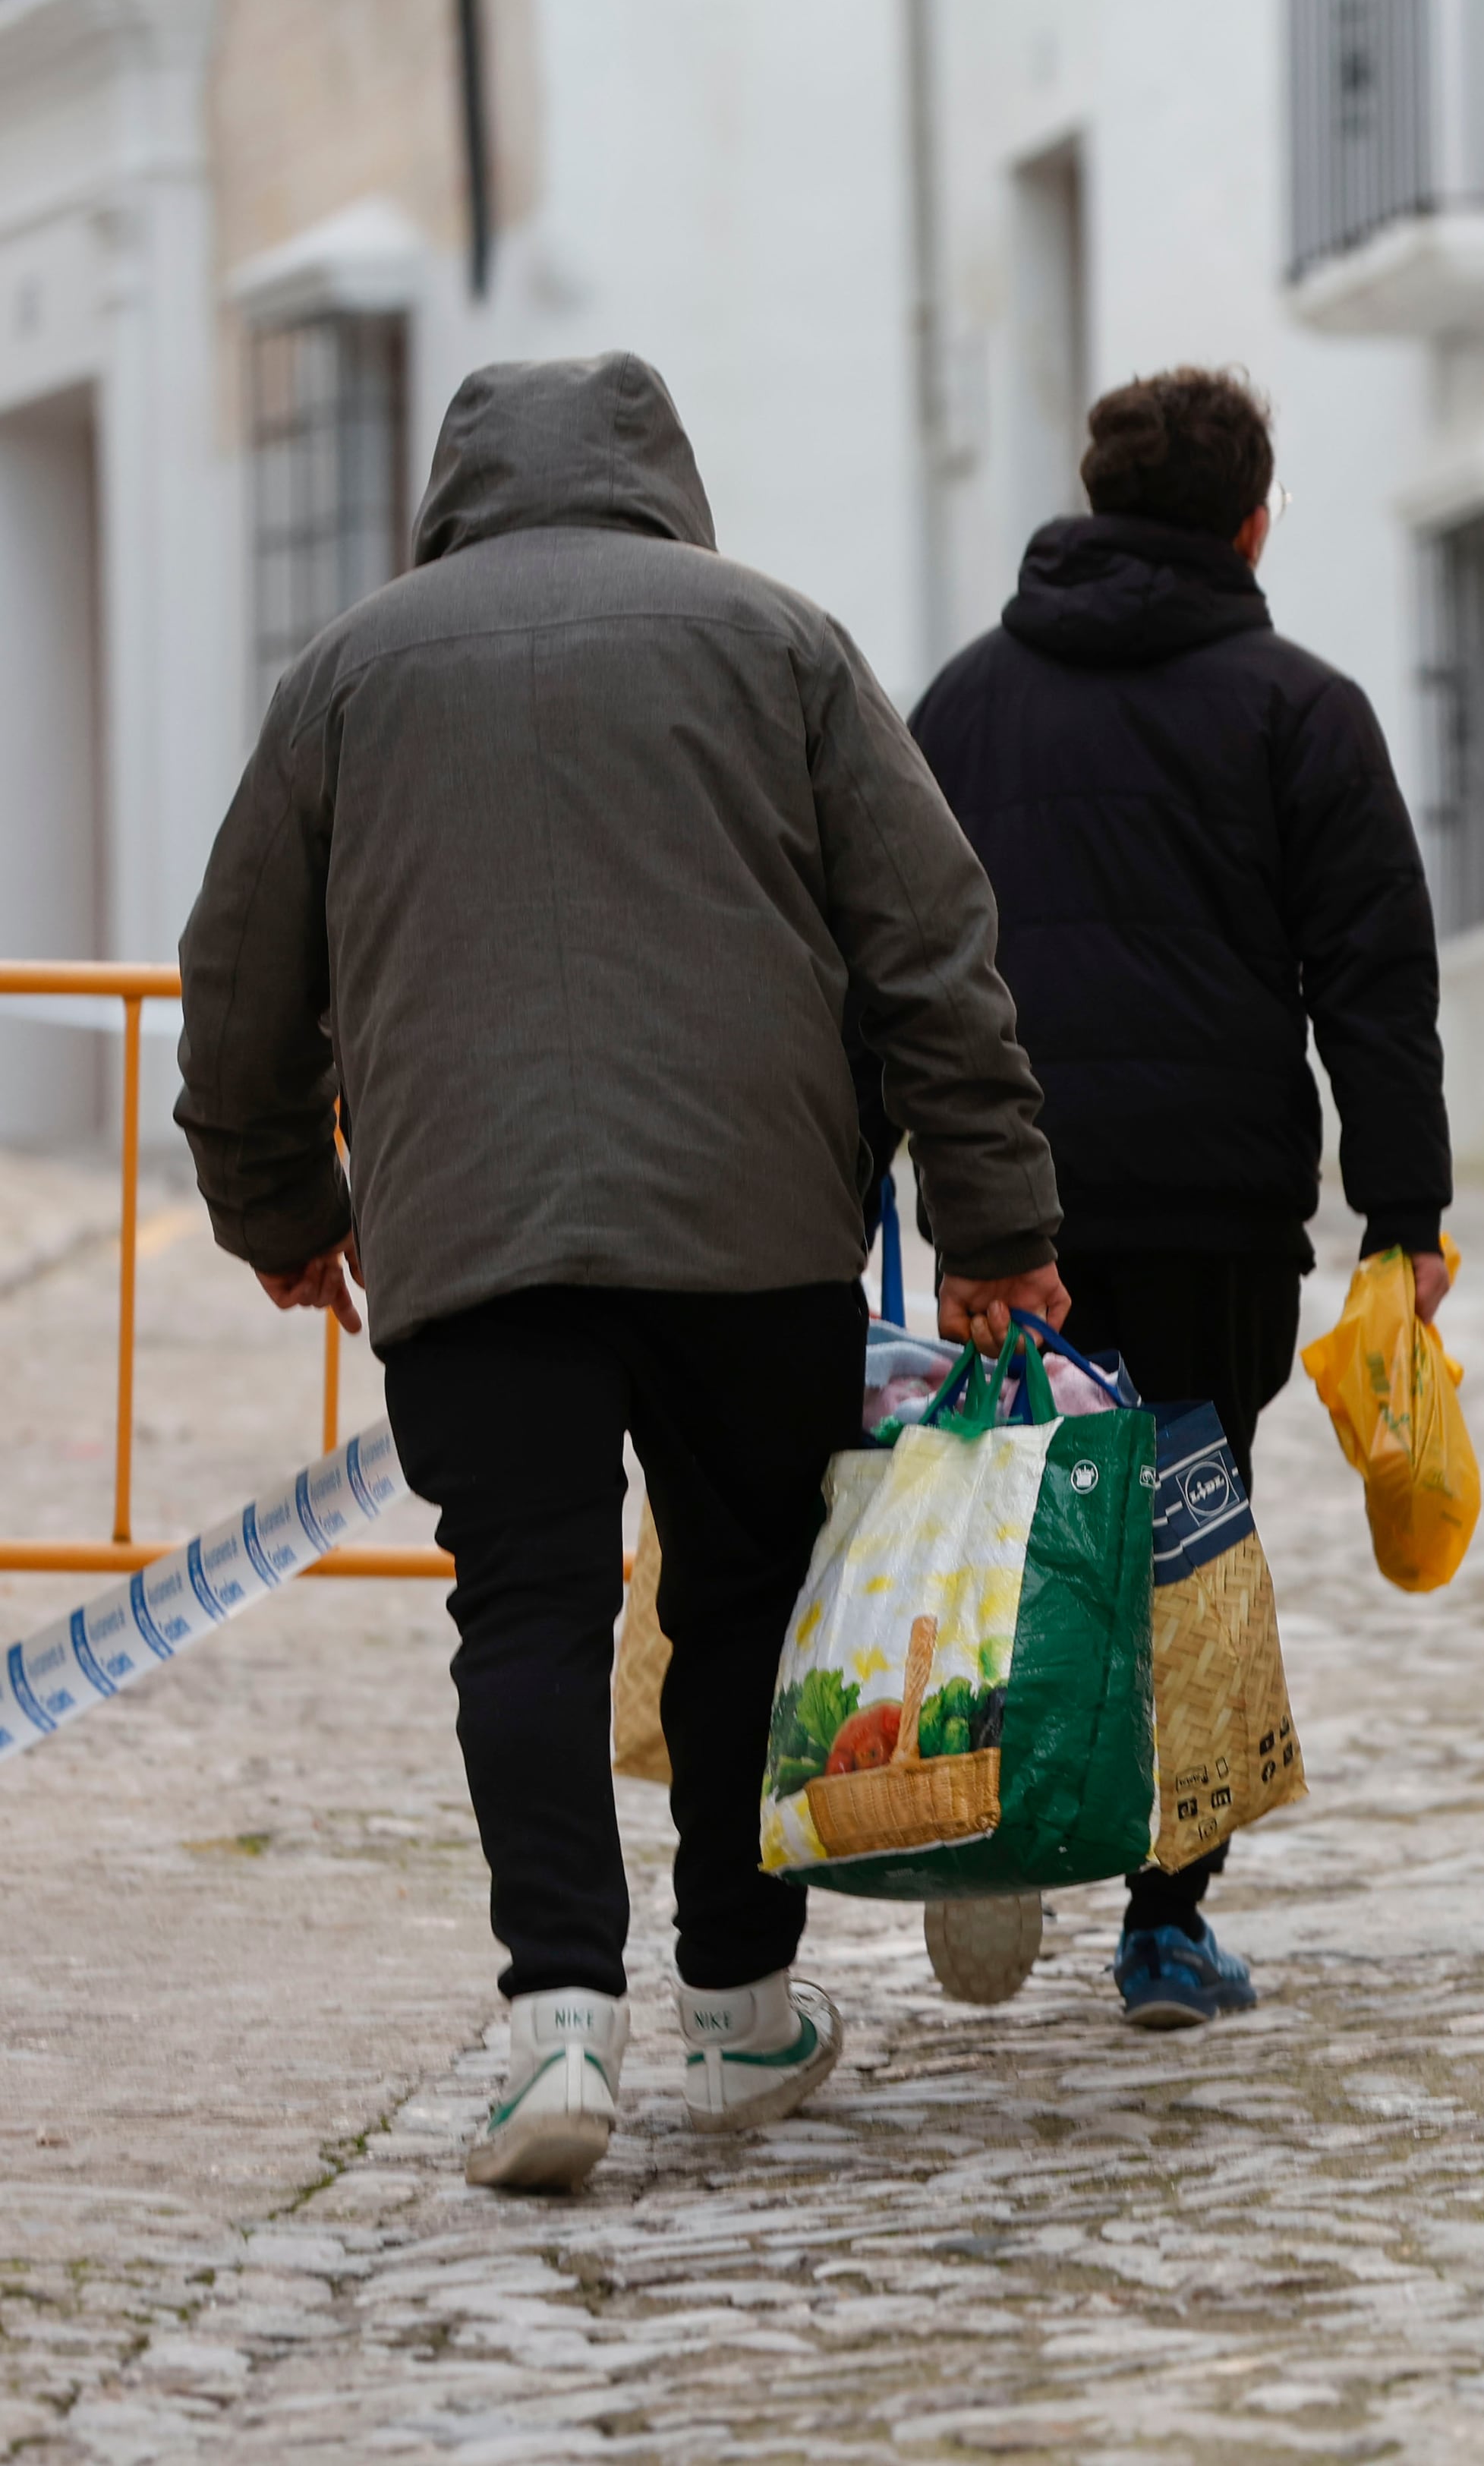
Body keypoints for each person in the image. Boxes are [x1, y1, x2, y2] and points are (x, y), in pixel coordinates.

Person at [175, 352, 1067, 2191]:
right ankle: (742, 2009)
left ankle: (557, 2025)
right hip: (751, 1232)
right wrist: (993, 1221)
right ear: (665, 473)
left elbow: (239, 973)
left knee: (524, 1605)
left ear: (453, 488)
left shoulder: (344, 674)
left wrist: (283, 1210)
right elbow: (930, 939)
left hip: (471, 1239)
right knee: (740, 1595)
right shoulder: (783, 641)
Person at [909, 364, 1450, 2029]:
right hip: (1216, 1214)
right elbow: (1375, 979)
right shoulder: (1302, 709)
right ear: (1253, 519)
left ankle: (987, 1820)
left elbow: (890, 954)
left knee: (1003, 1534)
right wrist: (1404, 1214)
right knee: (1185, 1548)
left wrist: (908, 1187)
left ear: (1091, 496)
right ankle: (1163, 1920)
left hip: (1017, 1214)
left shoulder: (961, 705)